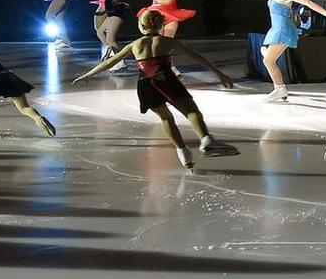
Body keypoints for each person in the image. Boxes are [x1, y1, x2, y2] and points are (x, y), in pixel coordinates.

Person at [72, 10, 238, 169]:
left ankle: (183, 153)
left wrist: (88, 75)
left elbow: (109, 62)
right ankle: (206, 139)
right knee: (190, 111)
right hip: (166, 80)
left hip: (145, 84)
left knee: (166, 118)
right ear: (161, 25)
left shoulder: (135, 45)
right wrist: (219, 73)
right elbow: (197, 57)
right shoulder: (168, 42)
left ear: (141, 26)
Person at [219, 0, 326, 102]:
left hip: (283, 29)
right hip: (277, 28)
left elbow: (307, 2)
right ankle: (279, 86)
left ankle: (280, 89)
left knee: (268, 61)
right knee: (267, 57)